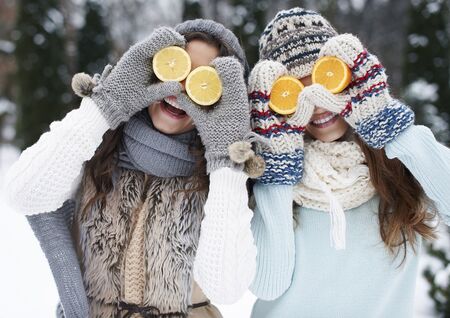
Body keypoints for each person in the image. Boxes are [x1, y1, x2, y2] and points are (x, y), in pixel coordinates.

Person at [5, 19, 257, 318]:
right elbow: (23, 195)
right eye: (175, 68)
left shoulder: (224, 181)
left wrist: (226, 160)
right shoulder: (95, 144)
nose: (178, 91)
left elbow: (226, 289)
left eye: (202, 83)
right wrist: (106, 105)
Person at [247, 7, 450, 318]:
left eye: (324, 81)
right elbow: (267, 284)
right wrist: (277, 167)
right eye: (295, 91)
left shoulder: (400, 164)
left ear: (349, 79)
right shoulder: (266, 179)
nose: (314, 103)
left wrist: (385, 123)